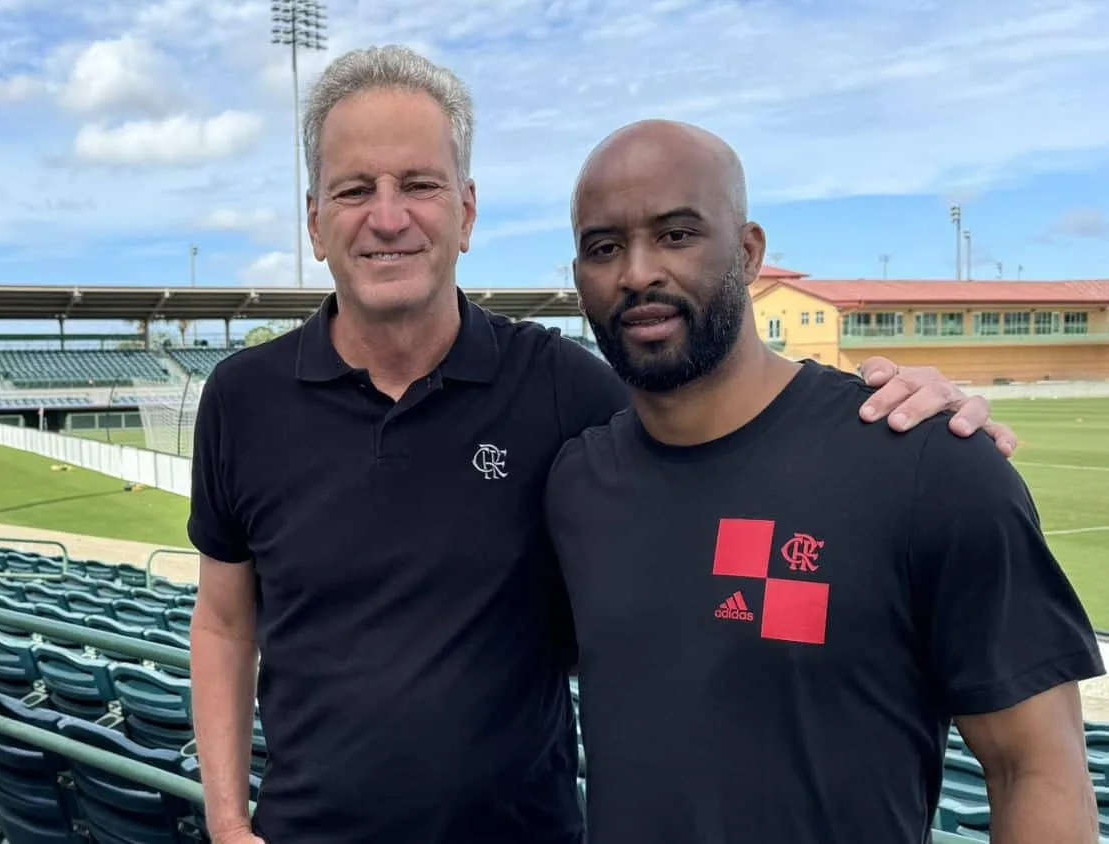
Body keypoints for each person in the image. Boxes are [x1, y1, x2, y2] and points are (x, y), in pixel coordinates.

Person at [186, 46, 1017, 844]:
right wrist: (227, 823)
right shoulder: (242, 399)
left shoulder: (562, 387)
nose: (389, 216)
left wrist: (902, 407)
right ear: (315, 221)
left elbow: (723, 421)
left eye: (419, 184)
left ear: (466, 212)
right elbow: (224, 623)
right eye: (355, 189)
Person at [545, 118, 1104, 844]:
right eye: (604, 247)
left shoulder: (925, 463)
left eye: (677, 234)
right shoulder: (576, 485)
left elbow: (1037, 768)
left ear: (748, 252)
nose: (638, 272)